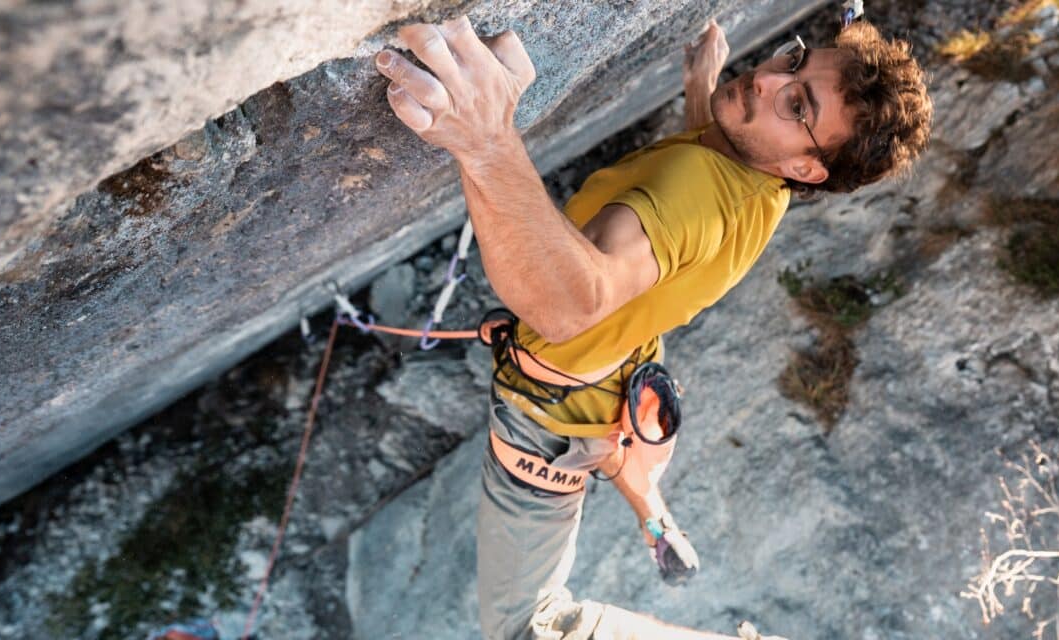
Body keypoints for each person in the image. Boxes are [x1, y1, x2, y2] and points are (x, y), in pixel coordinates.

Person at [372, 12, 931, 639]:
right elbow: (697, 192)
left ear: (806, 168)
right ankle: (653, 514)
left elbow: (567, 304)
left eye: (797, 104)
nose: (768, 80)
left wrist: (486, 138)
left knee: (528, 627)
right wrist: (703, 87)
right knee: (609, 453)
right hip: (620, 380)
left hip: (553, 418)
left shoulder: (699, 190)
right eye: (794, 59)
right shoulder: (761, 180)